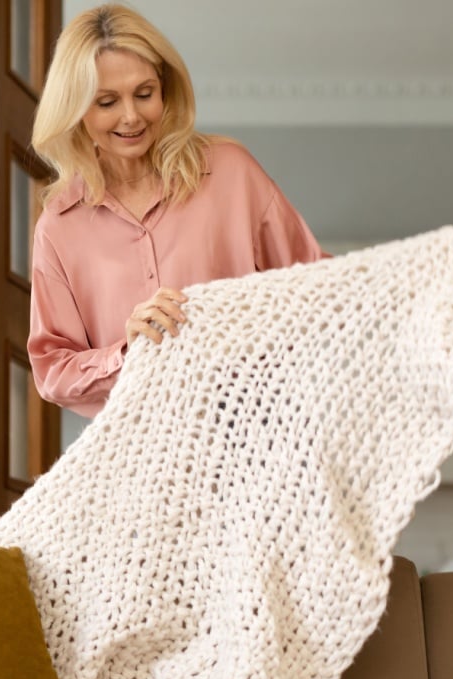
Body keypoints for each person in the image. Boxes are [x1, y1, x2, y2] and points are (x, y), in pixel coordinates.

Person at [28, 4, 328, 418]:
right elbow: (52, 370)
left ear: (165, 90)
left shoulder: (230, 171)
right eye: (107, 102)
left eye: (144, 93)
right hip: (144, 459)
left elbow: (320, 287)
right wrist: (126, 352)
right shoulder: (59, 228)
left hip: (260, 434)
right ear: (77, 110)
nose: (131, 116)